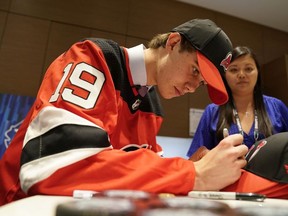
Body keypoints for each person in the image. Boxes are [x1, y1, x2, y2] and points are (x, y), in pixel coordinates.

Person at [0, 18, 276, 206]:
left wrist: (192, 165)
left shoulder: (151, 104)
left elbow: (136, 176)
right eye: (195, 70)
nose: (193, 87)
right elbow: (52, 167)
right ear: (172, 43)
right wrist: (192, 173)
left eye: (201, 83)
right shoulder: (95, 59)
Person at [187, 46, 288, 161]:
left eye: (248, 69)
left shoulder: (277, 107)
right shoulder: (212, 111)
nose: (241, 75)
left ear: (258, 72)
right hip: (226, 178)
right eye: (234, 69)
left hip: (272, 178)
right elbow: (196, 158)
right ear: (225, 75)